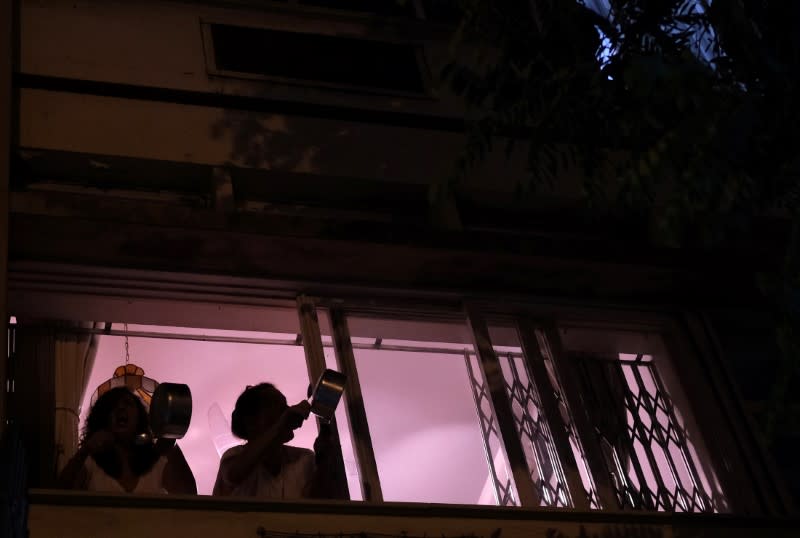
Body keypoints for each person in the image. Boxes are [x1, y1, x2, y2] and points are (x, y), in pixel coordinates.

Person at [58, 386, 197, 494]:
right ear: (103, 418)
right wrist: (85, 450)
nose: (120, 408)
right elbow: (60, 497)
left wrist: (170, 446)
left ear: (139, 417)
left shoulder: (157, 462)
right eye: (112, 407)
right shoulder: (91, 462)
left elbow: (189, 496)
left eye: (127, 403)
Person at [212, 383, 340, 499]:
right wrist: (281, 425)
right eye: (278, 408)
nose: (287, 411)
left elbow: (317, 509)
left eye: (285, 407)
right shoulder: (234, 457)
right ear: (251, 422)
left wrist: (323, 460)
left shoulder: (304, 458)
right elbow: (234, 474)